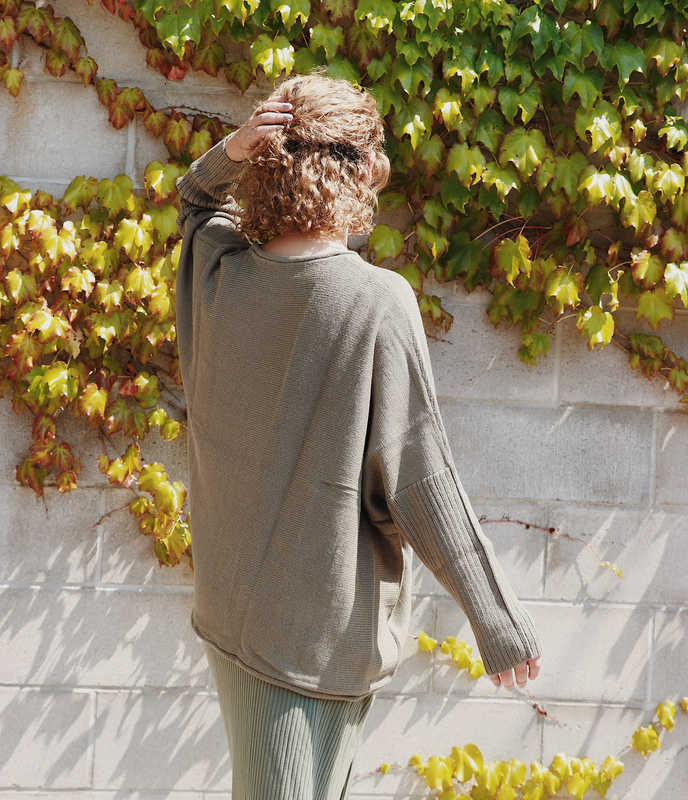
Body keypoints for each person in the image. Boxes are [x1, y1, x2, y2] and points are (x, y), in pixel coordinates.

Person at [175, 74, 542, 800]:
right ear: (355, 174)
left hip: (233, 614)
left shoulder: (218, 274)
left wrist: (231, 150)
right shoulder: (377, 301)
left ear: (269, 165)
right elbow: (420, 476)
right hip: (310, 640)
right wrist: (496, 618)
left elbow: (196, 200)